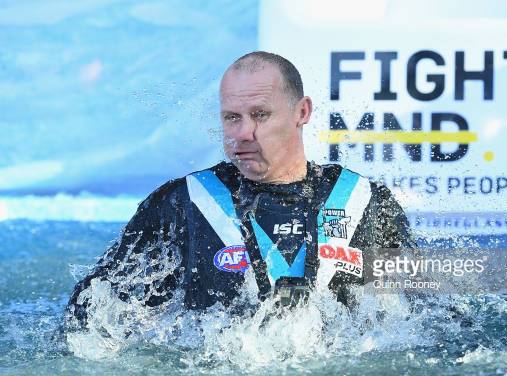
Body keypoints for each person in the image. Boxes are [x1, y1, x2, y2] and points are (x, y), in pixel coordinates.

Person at [63, 51, 418, 333]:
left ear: (302, 112)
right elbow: (90, 316)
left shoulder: (366, 202)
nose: (243, 133)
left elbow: (426, 318)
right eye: (232, 117)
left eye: (260, 115)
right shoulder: (182, 203)